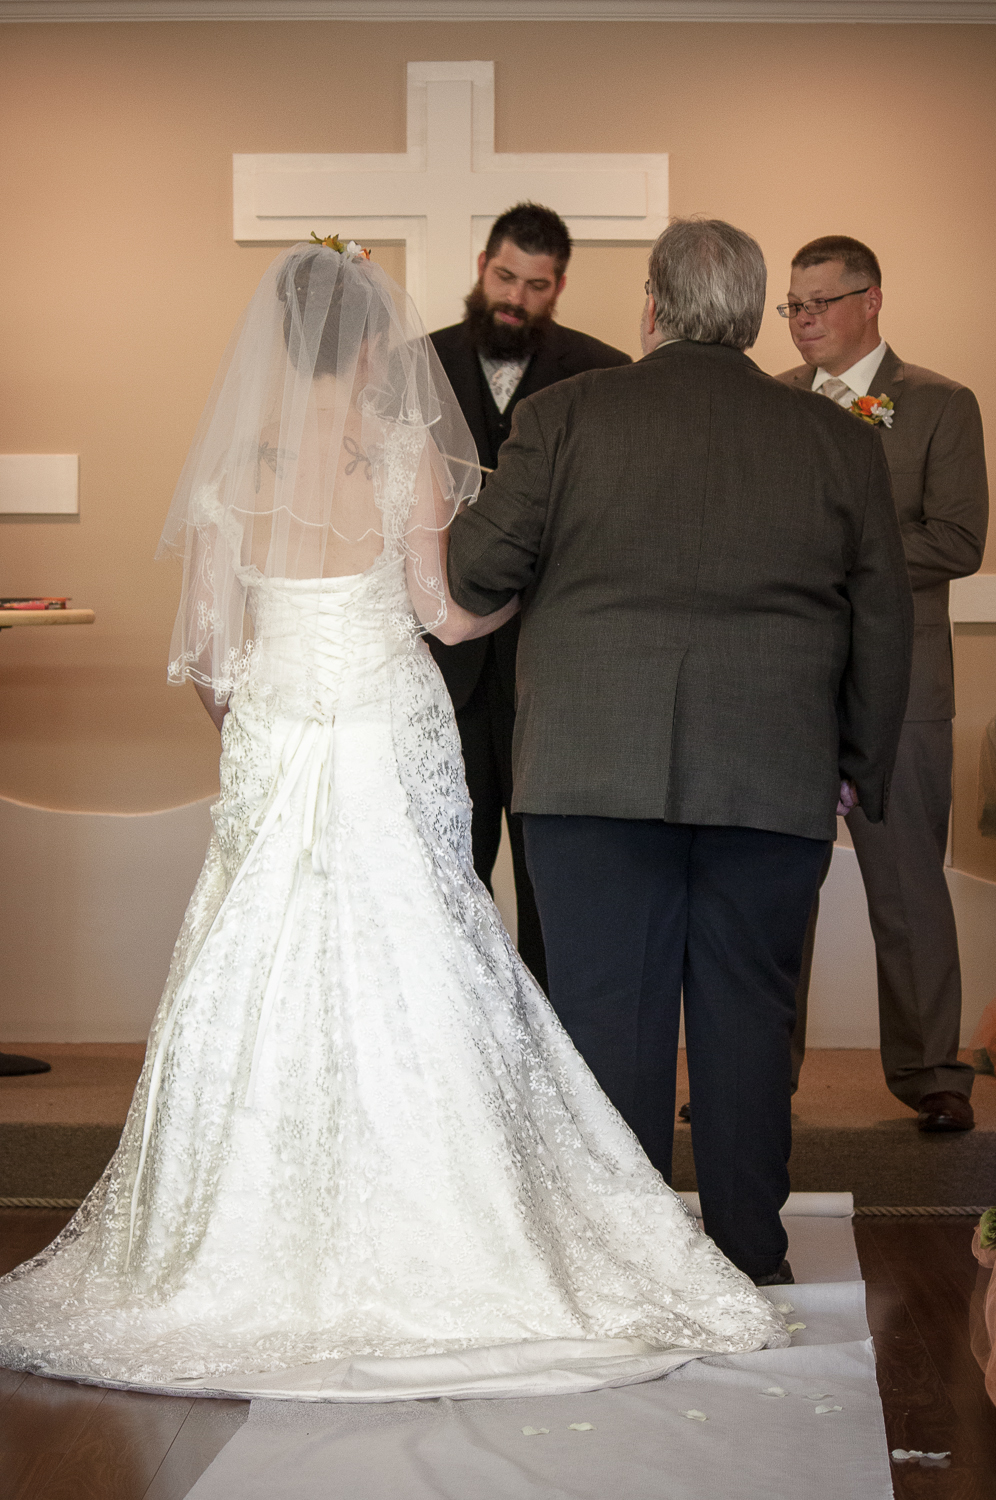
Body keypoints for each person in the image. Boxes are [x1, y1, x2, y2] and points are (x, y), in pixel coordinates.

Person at [0, 238, 786, 1401]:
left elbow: (211, 656)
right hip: (384, 717)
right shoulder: (400, 447)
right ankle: (447, 1217)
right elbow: (445, 613)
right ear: (370, 341)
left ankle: (239, 1234)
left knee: (258, 954)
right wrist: (534, 594)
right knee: (418, 945)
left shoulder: (232, 465)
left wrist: (265, 722)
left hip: (279, 723)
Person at [446, 218, 914, 1285]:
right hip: (775, 771)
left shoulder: (563, 416)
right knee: (750, 1016)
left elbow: (475, 572)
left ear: (652, 307)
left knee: (610, 1017)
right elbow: (884, 623)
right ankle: (751, 1255)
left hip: (589, 769)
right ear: (752, 315)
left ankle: (632, 1265)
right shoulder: (837, 439)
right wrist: (855, 764)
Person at [776, 235, 989, 1133]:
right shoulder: (770, 402)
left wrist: (843, 553)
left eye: (820, 302)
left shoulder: (940, 403)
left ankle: (932, 1073)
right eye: (792, 305)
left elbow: (959, 540)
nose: (803, 320)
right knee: (773, 891)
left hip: (904, 687)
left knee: (908, 892)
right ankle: (755, 1074)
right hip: (786, 687)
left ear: (871, 300)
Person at [428, 203, 631, 991]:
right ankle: (464, 1035)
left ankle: (553, 1042)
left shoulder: (605, 373)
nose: (515, 298)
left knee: (558, 882)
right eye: (505, 277)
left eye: (536, 286)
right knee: (451, 874)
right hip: (444, 672)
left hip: (558, 672)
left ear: (561, 286)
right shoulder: (416, 363)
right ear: (483, 265)